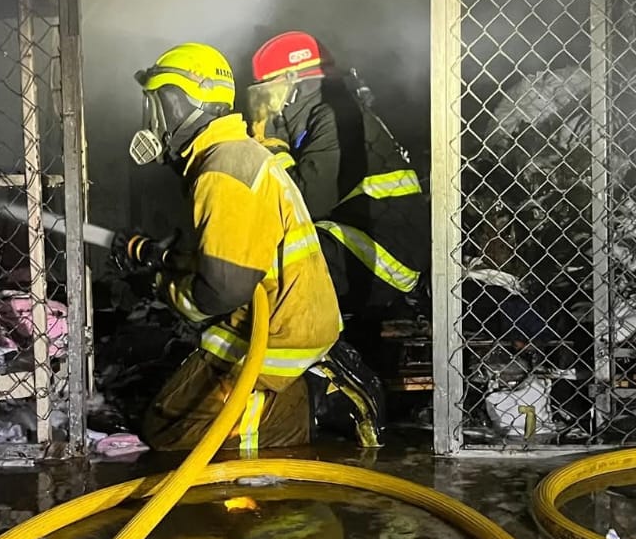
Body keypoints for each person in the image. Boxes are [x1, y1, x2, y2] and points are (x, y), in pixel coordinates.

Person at [113, 42, 341, 456]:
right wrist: (158, 257)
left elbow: (220, 292)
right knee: (167, 407)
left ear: (186, 104)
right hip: (276, 319)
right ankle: (302, 394)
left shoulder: (223, 168)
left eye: (159, 104)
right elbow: (225, 253)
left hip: (281, 336)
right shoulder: (228, 154)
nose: (153, 119)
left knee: (171, 432)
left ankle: (317, 403)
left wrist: (163, 287)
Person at [244, 31, 428, 321]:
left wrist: (273, 147)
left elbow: (306, 203)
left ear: (294, 81)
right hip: (361, 242)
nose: (264, 103)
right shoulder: (316, 116)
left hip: (385, 256)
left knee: (272, 256)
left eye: (269, 89)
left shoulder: (338, 117)